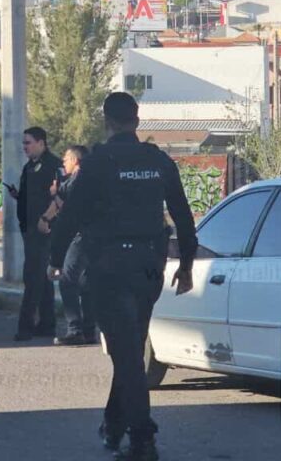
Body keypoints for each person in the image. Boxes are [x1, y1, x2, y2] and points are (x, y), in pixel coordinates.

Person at [48, 93, 197, 461]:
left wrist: (55, 259)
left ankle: (142, 439)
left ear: (107, 120)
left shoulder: (98, 163)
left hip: (109, 267)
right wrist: (187, 265)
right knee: (130, 349)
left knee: (127, 353)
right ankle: (114, 427)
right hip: (149, 267)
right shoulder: (158, 161)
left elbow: (69, 217)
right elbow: (183, 214)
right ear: (137, 118)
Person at [38, 145, 97, 346]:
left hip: (83, 236)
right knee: (85, 282)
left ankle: (75, 330)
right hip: (94, 236)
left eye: (66, 159)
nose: (63, 163)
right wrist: (46, 217)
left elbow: (68, 209)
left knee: (67, 279)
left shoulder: (78, 181)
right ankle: (89, 330)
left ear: (75, 161)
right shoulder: (81, 179)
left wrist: (55, 259)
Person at [8, 127, 61, 342]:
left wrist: (46, 218)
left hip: (45, 230)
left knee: (33, 277)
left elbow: (58, 197)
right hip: (29, 229)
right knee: (42, 279)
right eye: (23, 143)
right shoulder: (29, 167)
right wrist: (17, 196)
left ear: (41, 142)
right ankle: (47, 324)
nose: (24, 147)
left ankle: (25, 327)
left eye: (28, 143)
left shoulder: (53, 166)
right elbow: (31, 196)